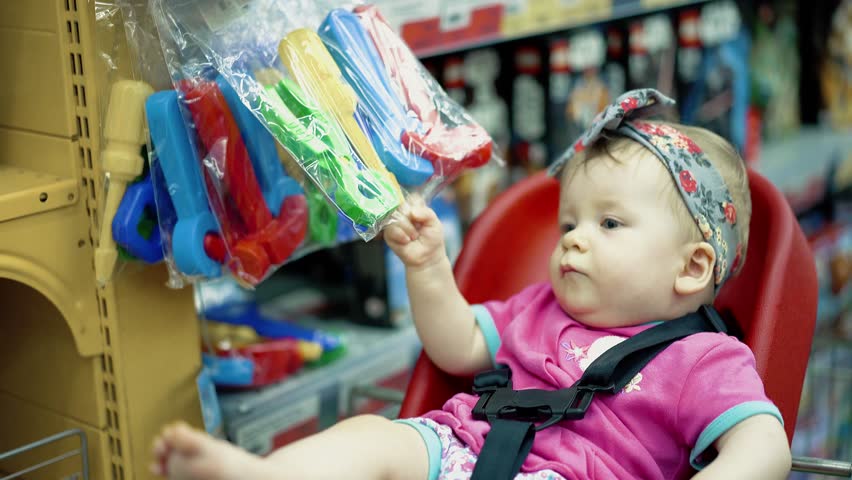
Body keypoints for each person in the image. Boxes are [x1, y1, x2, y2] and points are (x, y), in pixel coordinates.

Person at [150, 89, 792, 480]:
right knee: (370, 438)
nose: (573, 237)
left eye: (610, 222)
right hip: (459, 447)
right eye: (570, 221)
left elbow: (764, 446)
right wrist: (429, 267)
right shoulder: (538, 306)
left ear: (691, 268)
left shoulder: (703, 359)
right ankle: (260, 472)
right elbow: (456, 346)